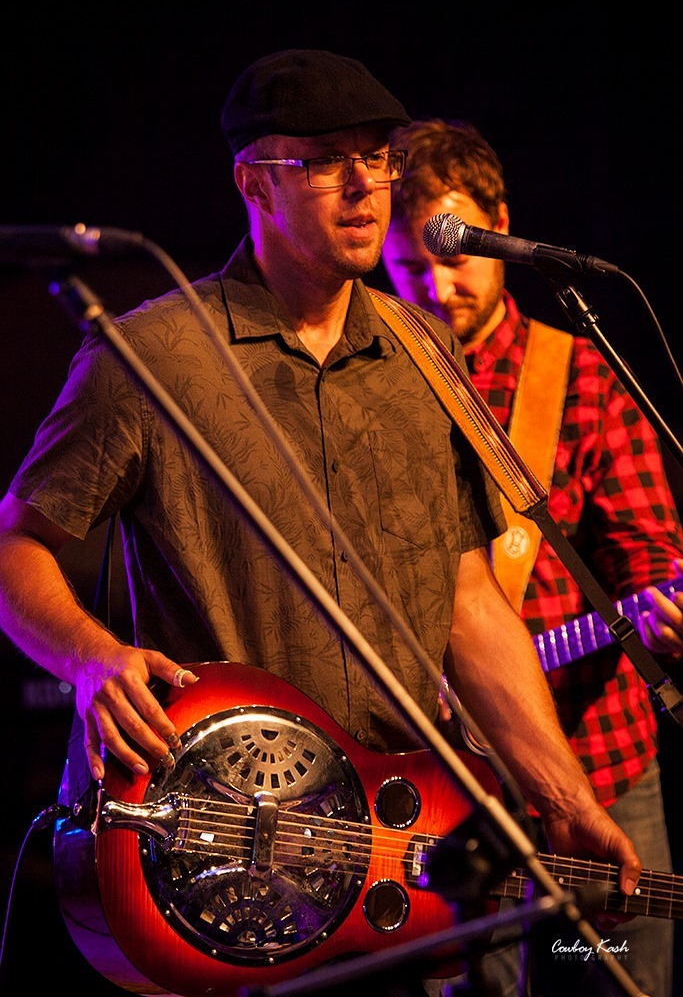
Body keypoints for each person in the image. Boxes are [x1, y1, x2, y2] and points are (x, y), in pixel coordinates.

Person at [0, 51, 653, 997]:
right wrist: (90, 657)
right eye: (321, 162)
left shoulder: (425, 352)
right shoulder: (151, 354)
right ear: (252, 183)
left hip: (394, 858)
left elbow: (470, 602)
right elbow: (17, 545)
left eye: (376, 157)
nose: (362, 186)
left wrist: (563, 796)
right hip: (218, 863)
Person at [381, 117, 683, 997]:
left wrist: (662, 617)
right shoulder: (375, 387)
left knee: (615, 980)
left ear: (500, 225)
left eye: (456, 258)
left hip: (597, 758)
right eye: (410, 267)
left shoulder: (580, 376)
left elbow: (646, 557)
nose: (438, 287)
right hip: (432, 783)